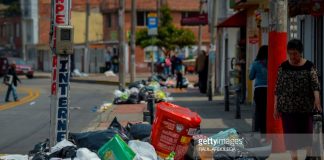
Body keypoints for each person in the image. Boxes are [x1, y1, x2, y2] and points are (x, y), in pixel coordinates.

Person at [274, 39, 321, 160]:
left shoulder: (309, 66)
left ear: (300, 52)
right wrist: (276, 106)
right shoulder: (283, 67)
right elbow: (278, 88)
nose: (292, 56)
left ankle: (309, 156)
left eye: (295, 53)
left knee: (307, 135)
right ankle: (294, 157)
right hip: (287, 108)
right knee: (290, 137)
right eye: (290, 53)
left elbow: (315, 85)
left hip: (305, 108)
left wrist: (317, 100)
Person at [249, 45, 268, 134]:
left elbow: (251, 77)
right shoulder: (272, 62)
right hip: (270, 90)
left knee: (260, 111)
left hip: (259, 90)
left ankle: (262, 130)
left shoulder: (255, 63)